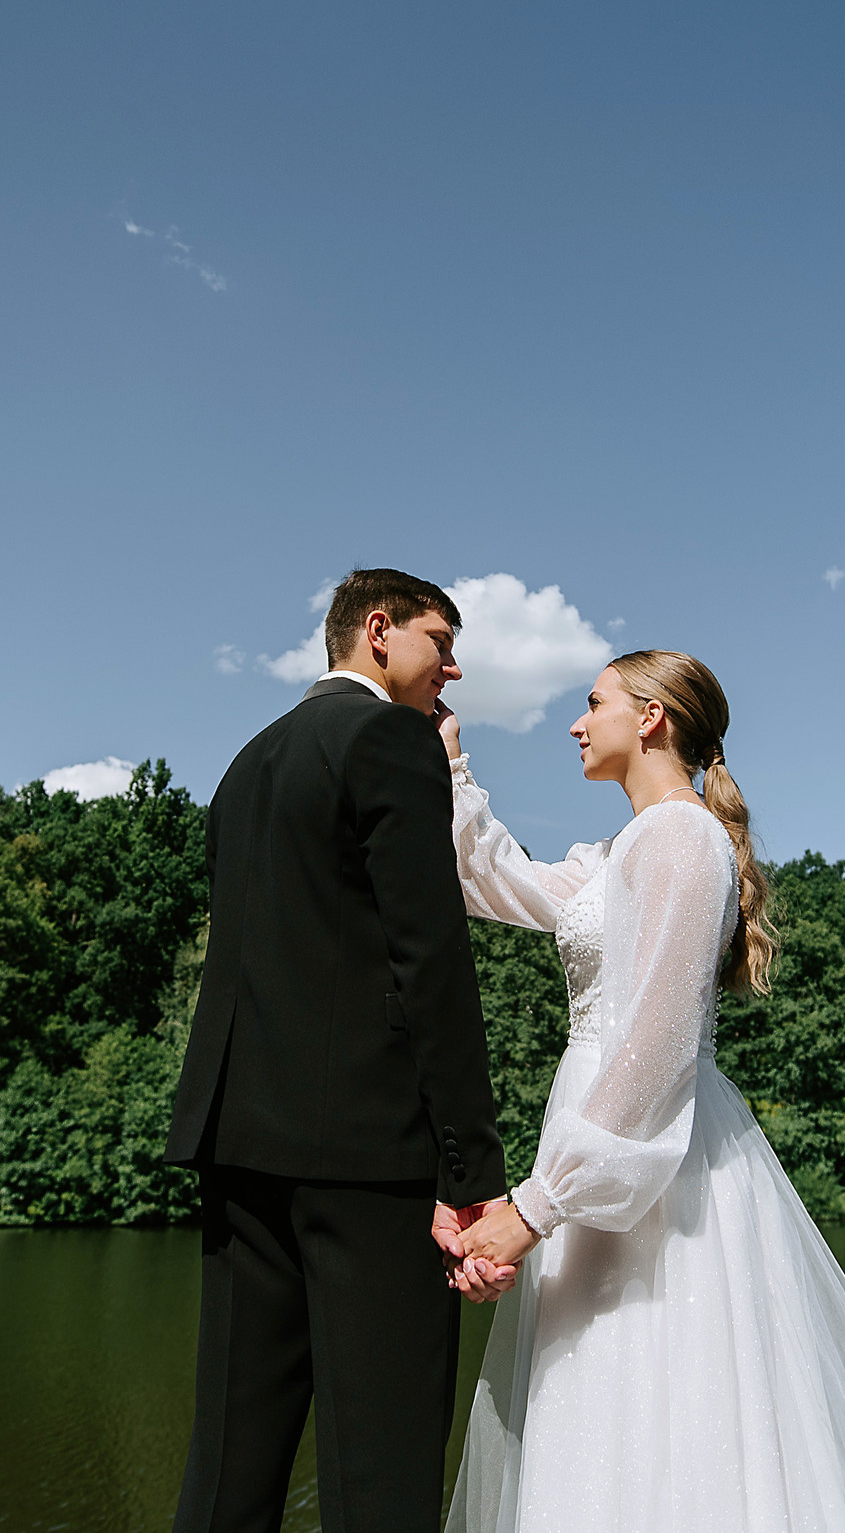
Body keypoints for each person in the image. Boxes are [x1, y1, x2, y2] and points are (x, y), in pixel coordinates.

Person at [436, 650, 845, 1533]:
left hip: (651, 1158)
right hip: (595, 1143)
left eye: (593, 703)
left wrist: (538, 1207)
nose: (577, 724)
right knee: (594, 1398)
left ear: (650, 717)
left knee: (662, 1396)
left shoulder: (683, 838)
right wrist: (453, 763)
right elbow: (494, 883)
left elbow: (656, 1048)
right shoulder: (624, 847)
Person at [164, 568, 510, 1533]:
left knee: (231, 1463)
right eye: (441, 640)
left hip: (238, 1148)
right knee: (381, 1473)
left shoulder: (249, 761)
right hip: (366, 1157)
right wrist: (469, 1166)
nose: (454, 664)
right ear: (378, 630)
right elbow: (429, 959)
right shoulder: (390, 740)